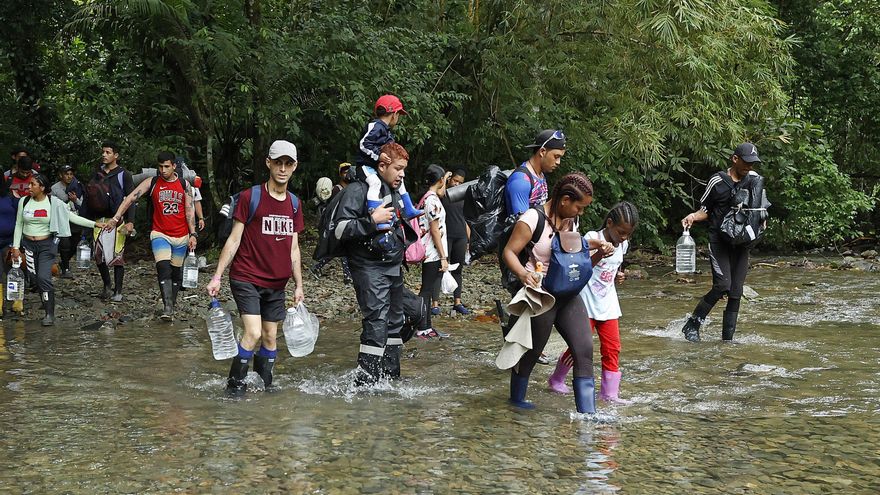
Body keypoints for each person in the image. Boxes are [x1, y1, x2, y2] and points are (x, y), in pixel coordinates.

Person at [501, 172, 613, 413]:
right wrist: (523, 275)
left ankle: (588, 416)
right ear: (564, 200)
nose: (580, 213)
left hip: (568, 295)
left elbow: (575, 254)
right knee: (531, 354)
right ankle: (516, 404)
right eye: (579, 207)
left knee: (584, 351)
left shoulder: (571, 221)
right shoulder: (532, 218)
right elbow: (509, 252)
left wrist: (599, 251)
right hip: (541, 295)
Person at [206, 140, 304, 394]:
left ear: (294, 167)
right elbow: (234, 239)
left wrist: (299, 285)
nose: (283, 169)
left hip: (276, 283)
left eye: (288, 164)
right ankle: (235, 388)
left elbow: (294, 248)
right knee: (253, 333)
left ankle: (263, 387)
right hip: (247, 276)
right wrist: (217, 276)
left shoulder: (294, 203)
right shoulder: (251, 197)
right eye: (278, 163)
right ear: (268, 163)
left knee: (270, 336)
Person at [331, 142, 413, 385]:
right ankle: (366, 385)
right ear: (382, 165)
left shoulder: (395, 190)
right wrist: (371, 221)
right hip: (368, 267)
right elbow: (339, 230)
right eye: (398, 168)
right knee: (376, 322)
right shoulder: (356, 190)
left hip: (393, 266)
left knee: (395, 322)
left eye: (404, 169)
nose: (402, 174)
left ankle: (391, 379)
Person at [548, 202, 638, 404]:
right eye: (621, 232)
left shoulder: (623, 244)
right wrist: (599, 253)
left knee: (612, 347)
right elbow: (580, 268)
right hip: (586, 303)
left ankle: (609, 393)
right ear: (609, 223)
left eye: (628, 234)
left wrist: (618, 276)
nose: (624, 237)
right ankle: (557, 379)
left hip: (608, 305)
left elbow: (613, 268)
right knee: (579, 347)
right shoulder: (591, 238)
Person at [680, 142, 765, 342]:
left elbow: (760, 209)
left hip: (741, 244)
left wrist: (761, 222)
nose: (749, 167)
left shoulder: (754, 181)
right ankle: (692, 324)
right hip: (719, 242)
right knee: (722, 285)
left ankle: (727, 341)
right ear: (735, 159)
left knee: (736, 292)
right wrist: (692, 216)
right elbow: (705, 210)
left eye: (752, 164)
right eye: (746, 162)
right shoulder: (717, 181)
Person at [499, 129, 567, 364]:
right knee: (523, 297)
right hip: (519, 253)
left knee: (533, 299)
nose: (558, 162)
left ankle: (529, 348)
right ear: (542, 151)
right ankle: (518, 351)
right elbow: (522, 223)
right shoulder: (520, 180)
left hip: (537, 254)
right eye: (556, 156)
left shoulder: (540, 176)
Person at [104, 151, 197, 320]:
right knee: (163, 268)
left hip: (181, 235)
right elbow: (131, 198)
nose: (163, 170)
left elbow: (189, 211)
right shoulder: (152, 182)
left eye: (167, 166)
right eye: (160, 167)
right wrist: (116, 217)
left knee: (176, 272)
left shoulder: (184, 185)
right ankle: (167, 308)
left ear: (174, 166)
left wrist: (193, 234)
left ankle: (171, 303)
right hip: (159, 232)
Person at [11, 173, 102, 325]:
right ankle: (46, 301)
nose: (29, 187)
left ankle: (49, 314)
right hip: (28, 245)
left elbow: (71, 217)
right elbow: (19, 224)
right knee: (35, 279)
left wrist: (94, 224)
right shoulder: (24, 201)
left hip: (47, 245)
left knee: (43, 277)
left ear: (42, 187)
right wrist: (15, 247)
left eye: (33, 184)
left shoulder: (54, 203)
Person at [356, 94, 422, 230]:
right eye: (398, 115)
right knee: (374, 183)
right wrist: (378, 155)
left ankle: (409, 208)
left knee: (400, 179)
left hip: (377, 166)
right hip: (365, 166)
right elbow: (363, 144)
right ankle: (376, 216)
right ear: (394, 114)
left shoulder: (387, 131)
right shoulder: (375, 126)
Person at [80, 141, 135, 302]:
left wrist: (130, 221)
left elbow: (131, 198)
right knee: (98, 255)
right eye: (103, 152)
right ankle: (107, 284)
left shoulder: (124, 174)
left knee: (117, 256)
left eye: (108, 152)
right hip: (99, 220)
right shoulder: (97, 173)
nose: (104, 155)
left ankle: (118, 290)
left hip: (117, 220)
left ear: (116, 155)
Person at [416, 165, 452, 339]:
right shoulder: (432, 201)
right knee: (426, 289)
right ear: (439, 181)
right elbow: (435, 230)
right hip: (432, 252)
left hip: (430, 250)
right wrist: (443, 256)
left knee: (429, 290)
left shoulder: (427, 198)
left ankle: (427, 326)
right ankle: (422, 327)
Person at [438, 168, 470, 315]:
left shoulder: (463, 196)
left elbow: (466, 220)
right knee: (440, 269)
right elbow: (439, 193)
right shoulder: (443, 194)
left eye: (460, 182)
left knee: (458, 269)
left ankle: (457, 302)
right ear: (450, 179)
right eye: (455, 180)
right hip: (445, 236)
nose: (457, 184)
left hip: (460, 236)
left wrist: (469, 241)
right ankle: (434, 304)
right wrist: (444, 178)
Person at [51, 165, 85, 277]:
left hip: (75, 217)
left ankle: (63, 262)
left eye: (71, 174)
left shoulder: (78, 186)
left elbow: (82, 203)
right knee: (64, 243)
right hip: (61, 218)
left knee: (75, 243)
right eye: (66, 174)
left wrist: (76, 200)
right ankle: (65, 268)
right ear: (61, 175)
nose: (69, 176)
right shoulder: (55, 188)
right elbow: (62, 200)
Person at [0, 177, 19, 314]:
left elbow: (20, 218)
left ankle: (17, 303)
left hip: (10, 241)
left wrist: (17, 244)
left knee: (13, 272)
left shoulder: (11, 196)